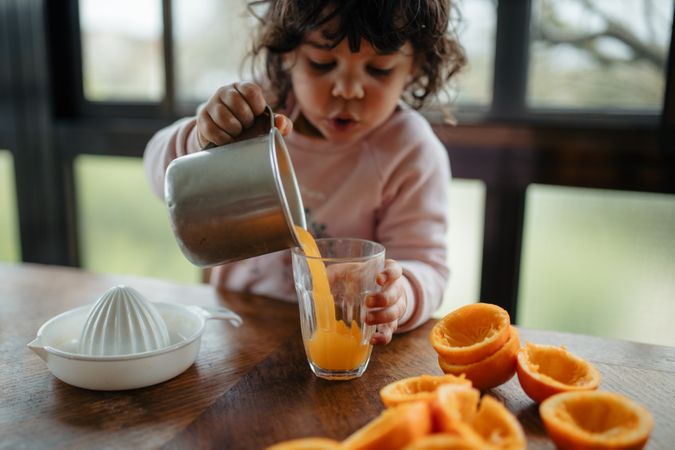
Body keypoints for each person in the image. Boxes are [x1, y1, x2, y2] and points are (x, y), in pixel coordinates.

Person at [144, 0, 466, 345]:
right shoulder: (257, 112)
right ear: (287, 54)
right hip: (234, 329)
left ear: (415, 66)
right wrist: (201, 138)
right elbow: (160, 176)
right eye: (322, 63)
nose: (347, 90)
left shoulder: (410, 151)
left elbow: (426, 264)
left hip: (340, 339)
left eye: (379, 70)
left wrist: (400, 294)